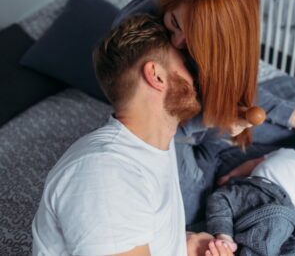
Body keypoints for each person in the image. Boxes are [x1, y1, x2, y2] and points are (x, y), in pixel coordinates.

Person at [113, 0, 295, 226]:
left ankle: (215, 146)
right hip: (169, 126)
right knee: (190, 209)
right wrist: (211, 120)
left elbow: (242, 94)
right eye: (174, 23)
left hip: (202, 120)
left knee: (290, 134)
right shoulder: (141, 39)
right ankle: (209, 158)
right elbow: (154, 125)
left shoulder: (216, 44)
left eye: (196, 43)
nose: (178, 41)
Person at [32, 15, 233, 256]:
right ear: (156, 76)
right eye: (188, 65)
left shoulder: (155, 146)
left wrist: (186, 246)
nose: (198, 78)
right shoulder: (105, 175)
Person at [207, 130, 295, 252]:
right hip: (250, 186)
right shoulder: (284, 151)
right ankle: (224, 236)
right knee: (219, 197)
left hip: (278, 203)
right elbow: (254, 163)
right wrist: (232, 175)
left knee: (274, 230)